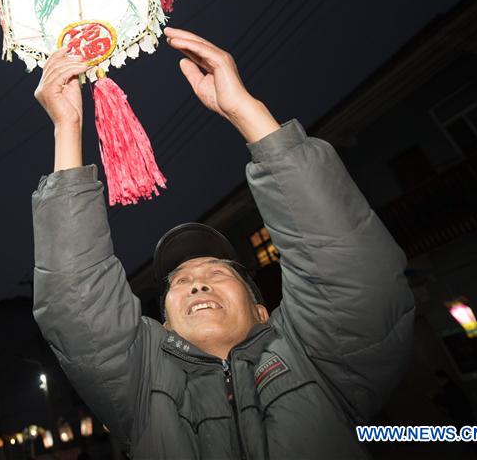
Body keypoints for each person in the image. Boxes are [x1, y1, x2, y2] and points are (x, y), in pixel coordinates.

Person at [31, 27, 415, 459]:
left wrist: (245, 110)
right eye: (180, 281)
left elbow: (347, 267)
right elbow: (76, 302)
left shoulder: (323, 364)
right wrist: (68, 129)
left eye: (216, 272)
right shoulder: (140, 391)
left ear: (262, 311)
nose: (197, 283)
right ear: (166, 327)